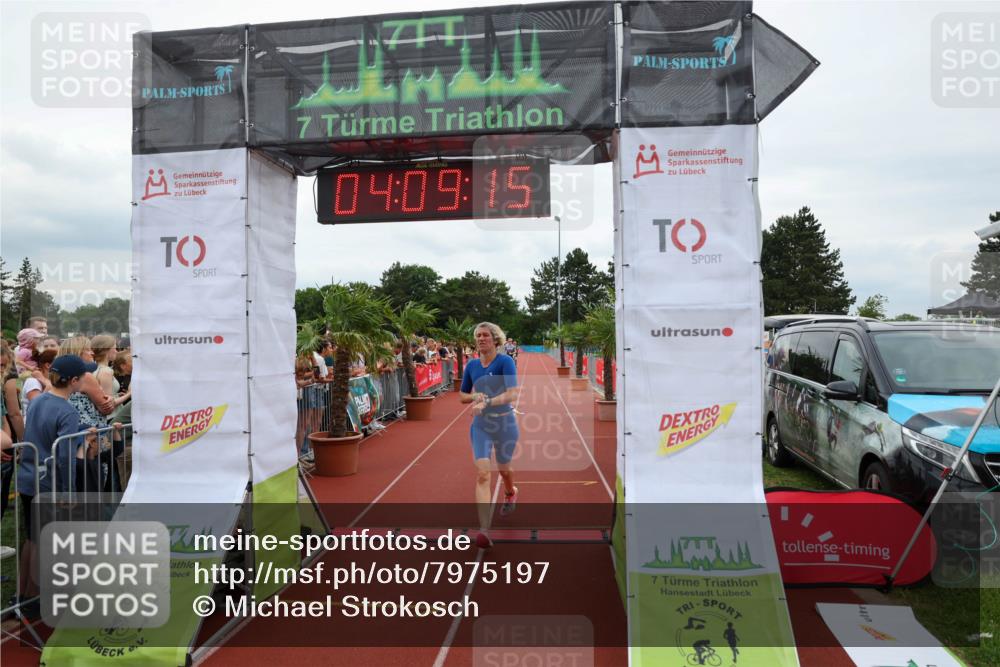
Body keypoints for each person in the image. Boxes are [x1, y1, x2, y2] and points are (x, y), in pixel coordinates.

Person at [16, 354, 96, 608]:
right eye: (84, 376)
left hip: (29, 478)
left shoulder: (40, 401)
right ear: (73, 380)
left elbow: (44, 428)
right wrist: (69, 492)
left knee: (32, 537)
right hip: (49, 484)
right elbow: (65, 457)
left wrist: (80, 428)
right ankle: (37, 599)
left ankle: (24, 593)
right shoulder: (67, 410)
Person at [459, 322, 520, 549]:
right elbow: (462, 395)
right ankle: (484, 530)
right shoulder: (472, 365)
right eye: (478, 336)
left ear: (495, 339)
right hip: (481, 425)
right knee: (483, 474)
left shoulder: (505, 362)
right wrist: (474, 397)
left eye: (485, 335)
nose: (481, 339)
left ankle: (510, 492)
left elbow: (512, 393)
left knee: (504, 469)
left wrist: (488, 401)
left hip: (505, 423)